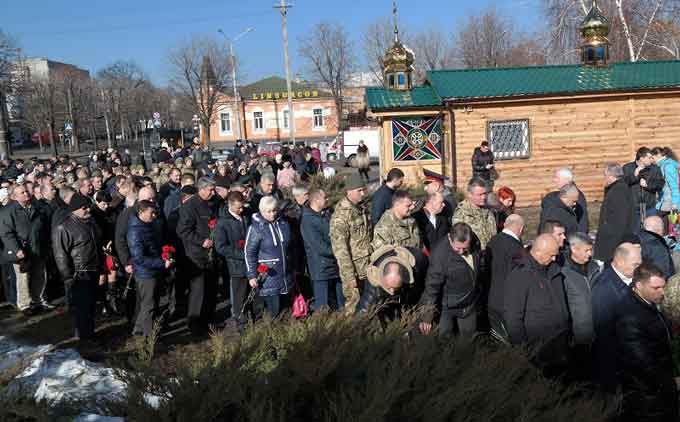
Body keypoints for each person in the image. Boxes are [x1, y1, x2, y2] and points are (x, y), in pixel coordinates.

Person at [615, 263, 678, 422]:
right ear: (639, 285)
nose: (662, 292)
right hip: (647, 395)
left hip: (659, 389)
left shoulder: (648, 304)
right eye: (655, 288)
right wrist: (671, 382)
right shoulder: (630, 317)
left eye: (663, 287)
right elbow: (643, 362)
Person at [503, 234, 570, 372]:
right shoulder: (520, 276)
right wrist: (524, 350)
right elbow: (512, 317)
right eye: (551, 255)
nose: (554, 259)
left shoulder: (554, 270)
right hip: (538, 349)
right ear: (538, 252)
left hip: (560, 343)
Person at [52, 193, 105, 341]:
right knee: (82, 308)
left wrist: (101, 267)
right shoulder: (63, 228)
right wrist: (68, 277)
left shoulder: (90, 222)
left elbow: (96, 245)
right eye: (84, 208)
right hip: (79, 273)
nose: (88, 210)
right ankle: (84, 338)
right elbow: (60, 255)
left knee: (91, 305)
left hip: (93, 270)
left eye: (88, 206)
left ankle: (89, 333)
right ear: (75, 209)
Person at [591, 241, 642, 392]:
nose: (640, 269)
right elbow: (604, 330)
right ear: (619, 261)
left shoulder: (628, 280)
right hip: (617, 363)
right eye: (635, 265)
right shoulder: (605, 287)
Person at [419, 223, 480, 337]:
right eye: (457, 248)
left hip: (469, 304)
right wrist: (427, 316)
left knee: (469, 341)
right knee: (444, 340)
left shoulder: (475, 242)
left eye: (465, 248)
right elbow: (432, 287)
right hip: (447, 305)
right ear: (449, 238)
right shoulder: (440, 256)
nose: (462, 252)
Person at [0, 183, 51, 314]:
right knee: (23, 278)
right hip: (22, 250)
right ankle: (25, 304)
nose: (26, 194)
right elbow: (6, 233)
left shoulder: (36, 207)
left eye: (26, 191)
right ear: (14, 196)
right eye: (22, 193)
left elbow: (43, 227)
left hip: (37, 247)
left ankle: (39, 300)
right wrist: (16, 249)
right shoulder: (8, 212)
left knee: (40, 276)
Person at [177, 177, 218, 335]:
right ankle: (194, 323)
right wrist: (201, 241)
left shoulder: (212, 203)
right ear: (201, 189)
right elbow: (183, 230)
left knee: (211, 288)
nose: (213, 193)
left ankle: (208, 319)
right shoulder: (190, 207)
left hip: (211, 254)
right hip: (196, 254)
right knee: (198, 290)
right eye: (210, 190)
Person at [128, 200, 172, 337]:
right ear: (141, 212)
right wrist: (161, 263)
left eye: (155, 213)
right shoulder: (135, 231)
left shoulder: (148, 225)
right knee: (149, 306)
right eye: (151, 213)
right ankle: (149, 336)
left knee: (150, 303)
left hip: (153, 270)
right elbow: (139, 258)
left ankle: (139, 329)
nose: (154, 216)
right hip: (146, 274)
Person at [330, 174, 373, 314]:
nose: (363, 193)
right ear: (349, 191)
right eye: (359, 190)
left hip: (367, 268)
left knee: (369, 307)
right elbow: (341, 250)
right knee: (353, 309)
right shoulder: (341, 216)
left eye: (363, 190)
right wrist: (349, 277)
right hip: (353, 271)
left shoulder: (361, 209)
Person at [245, 196, 292, 318]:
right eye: (268, 211)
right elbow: (249, 252)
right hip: (268, 276)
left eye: (275, 210)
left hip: (286, 275)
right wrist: (251, 275)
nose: (272, 214)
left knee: (286, 312)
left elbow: (291, 246)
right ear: (261, 211)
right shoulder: (256, 228)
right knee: (273, 313)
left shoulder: (283, 223)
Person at [300, 189, 343, 311]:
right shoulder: (308, 220)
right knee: (322, 305)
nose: (328, 200)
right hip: (320, 268)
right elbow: (318, 246)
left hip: (334, 265)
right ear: (317, 200)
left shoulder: (325, 214)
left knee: (341, 302)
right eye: (325, 198)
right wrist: (338, 251)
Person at [215, 191, 251, 333]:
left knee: (250, 293)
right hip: (236, 264)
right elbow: (221, 247)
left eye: (242, 207)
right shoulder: (223, 223)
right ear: (230, 205)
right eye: (238, 208)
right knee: (239, 295)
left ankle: (251, 317)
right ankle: (240, 322)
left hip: (249, 262)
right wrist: (242, 254)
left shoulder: (246, 216)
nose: (241, 210)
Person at [356, 247, 414, 327]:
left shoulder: (409, 275)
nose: (392, 291)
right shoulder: (374, 281)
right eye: (389, 287)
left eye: (396, 287)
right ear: (382, 278)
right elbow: (362, 312)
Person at [562, 232, 600, 346]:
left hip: (599, 330)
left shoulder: (595, 268)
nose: (590, 254)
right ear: (574, 249)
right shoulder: (563, 273)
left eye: (591, 250)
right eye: (586, 250)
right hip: (578, 335)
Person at [486, 214, 525, 325]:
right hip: (508, 302)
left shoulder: (493, 241)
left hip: (491, 297)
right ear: (521, 228)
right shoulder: (516, 248)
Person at [594, 163, 633, 262]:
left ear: (610, 176)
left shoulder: (618, 191)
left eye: (605, 175)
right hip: (612, 238)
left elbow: (620, 219)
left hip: (613, 241)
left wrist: (613, 241)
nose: (604, 178)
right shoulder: (616, 189)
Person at [623, 147, 664, 233]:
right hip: (633, 208)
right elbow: (623, 184)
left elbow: (660, 184)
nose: (652, 160)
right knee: (635, 234)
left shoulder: (655, 169)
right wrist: (635, 175)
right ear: (641, 158)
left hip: (649, 207)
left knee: (651, 233)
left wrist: (647, 185)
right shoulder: (627, 168)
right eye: (649, 158)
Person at [452, 177, 496, 250]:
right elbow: (460, 242)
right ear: (470, 194)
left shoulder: (488, 210)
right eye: (480, 194)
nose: (484, 197)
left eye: (485, 193)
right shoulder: (462, 214)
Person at [541, 168, 589, 234]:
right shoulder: (557, 195)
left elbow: (582, 222)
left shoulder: (575, 196)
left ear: (567, 180)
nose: (554, 180)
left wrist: (579, 240)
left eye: (557, 178)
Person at [652, 146, 680, 218]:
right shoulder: (663, 166)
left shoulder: (667, 167)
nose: (652, 160)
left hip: (670, 205)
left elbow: (675, 187)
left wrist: (675, 204)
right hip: (665, 203)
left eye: (652, 157)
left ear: (658, 155)